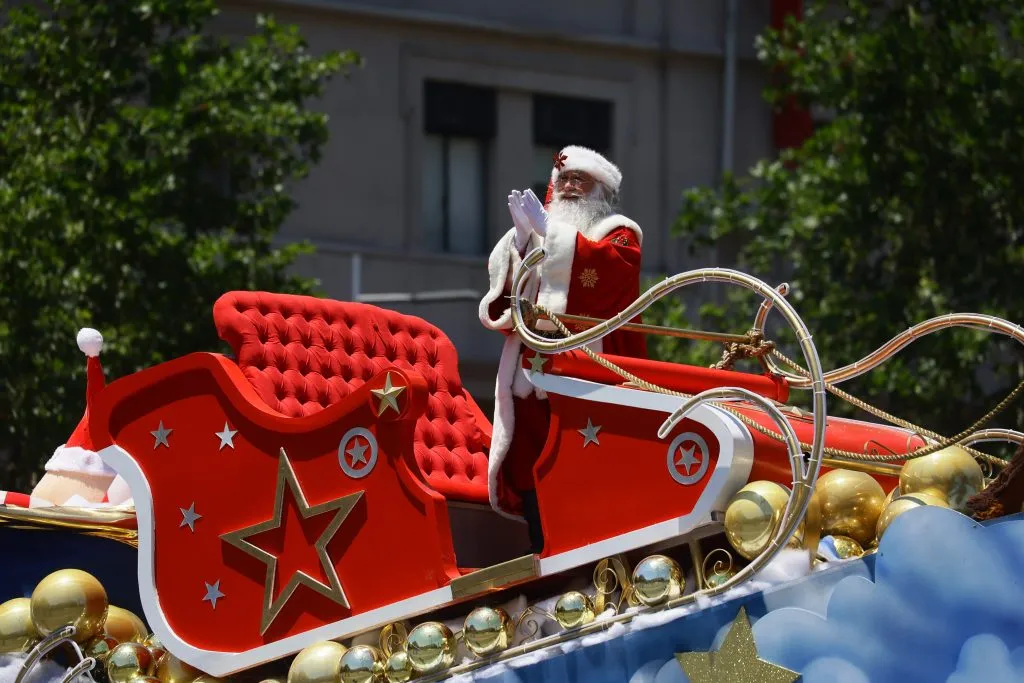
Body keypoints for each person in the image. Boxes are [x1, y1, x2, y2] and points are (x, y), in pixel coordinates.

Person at [478, 145, 646, 550]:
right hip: (530, 375)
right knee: (530, 465)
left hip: (587, 377)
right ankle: (540, 550)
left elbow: (604, 276)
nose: (568, 187)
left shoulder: (620, 235)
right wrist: (520, 243)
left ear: (600, 192)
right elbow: (507, 307)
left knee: (582, 468)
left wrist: (549, 235)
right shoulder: (540, 235)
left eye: (579, 181)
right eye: (563, 180)